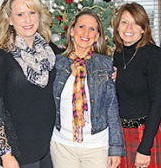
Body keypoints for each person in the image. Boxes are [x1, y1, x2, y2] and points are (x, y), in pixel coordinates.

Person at [0, 0, 62, 168]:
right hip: (20, 151)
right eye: (20, 14)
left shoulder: (51, 51)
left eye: (32, 12)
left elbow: (77, 65)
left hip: (52, 146)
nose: (28, 20)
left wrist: (109, 72)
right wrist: (6, 154)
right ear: (10, 20)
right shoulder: (0, 58)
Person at [50, 10, 125, 168]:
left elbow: (111, 107)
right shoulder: (56, 64)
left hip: (97, 147)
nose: (86, 32)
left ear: (97, 36)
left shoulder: (105, 65)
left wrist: (116, 148)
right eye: (81, 26)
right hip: (62, 147)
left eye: (92, 29)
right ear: (72, 31)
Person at [113, 3, 161, 168]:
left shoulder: (154, 55)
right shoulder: (117, 55)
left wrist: (145, 148)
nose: (129, 27)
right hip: (122, 134)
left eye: (135, 23)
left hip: (147, 133)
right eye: (124, 22)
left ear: (144, 28)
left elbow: (158, 103)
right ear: (117, 27)